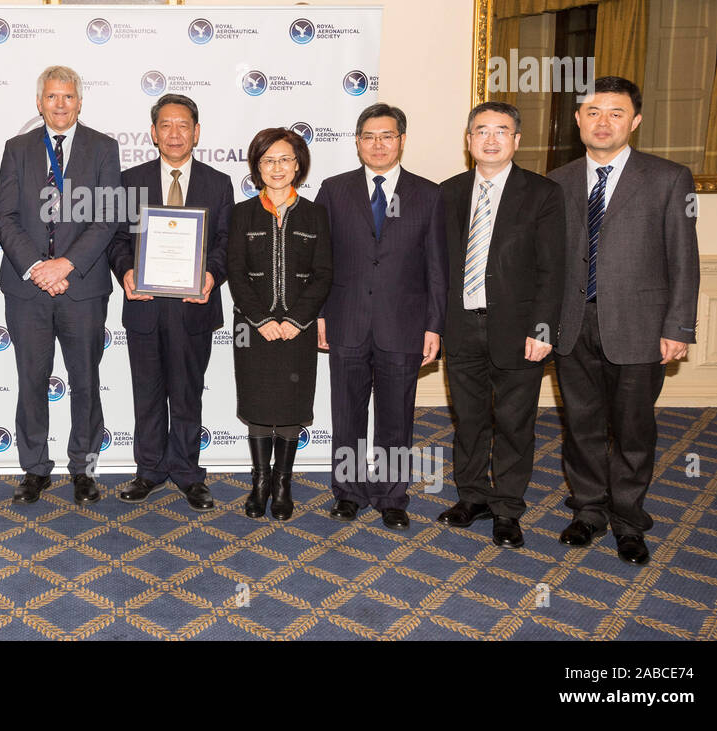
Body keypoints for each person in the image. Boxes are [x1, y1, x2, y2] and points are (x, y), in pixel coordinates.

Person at [548, 76, 699, 565]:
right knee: (582, 426)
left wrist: (679, 327)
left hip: (639, 326)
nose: (603, 122)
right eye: (593, 111)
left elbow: (684, 258)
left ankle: (629, 521)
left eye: (615, 113)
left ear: (634, 121)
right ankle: (588, 510)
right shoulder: (558, 180)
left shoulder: (668, 178)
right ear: (578, 120)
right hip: (573, 325)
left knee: (633, 430)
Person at [437, 101, 564, 548]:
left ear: (517, 140)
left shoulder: (543, 194)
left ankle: (508, 508)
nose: (490, 139)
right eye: (481, 131)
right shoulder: (448, 192)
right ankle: (471, 497)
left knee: (515, 423)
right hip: (461, 326)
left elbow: (553, 270)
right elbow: (438, 268)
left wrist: (543, 329)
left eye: (501, 131)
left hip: (520, 330)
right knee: (469, 420)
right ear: (468, 140)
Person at [315, 103, 447, 529]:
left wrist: (434, 324)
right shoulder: (334, 191)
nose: (378, 144)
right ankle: (349, 492)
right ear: (357, 142)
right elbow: (320, 262)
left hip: (404, 326)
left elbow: (437, 267)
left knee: (396, 417)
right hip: (346, 321)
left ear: (402, 141)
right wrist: (319, 315)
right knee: (347, 415)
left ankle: (392, 495)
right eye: (369, 136)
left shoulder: (430, 194)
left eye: (387, 136)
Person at [0, 65, 121, 504]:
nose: (60, 104)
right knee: (31, 379)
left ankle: (83, 471)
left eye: (68, 97)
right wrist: (36, 267)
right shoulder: (17, 148)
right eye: (52, 97)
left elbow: (107, 217)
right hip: (27, 288)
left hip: (82, 287)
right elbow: (4, 216)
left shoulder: (104, 148)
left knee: (85, 380)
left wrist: (65, 265)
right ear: (39, 102)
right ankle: (34, 469)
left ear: (80, 102)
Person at [109, 94, 232, 512]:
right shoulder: (130, 181)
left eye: (183, 125)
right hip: (144, 306)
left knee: (186, 393)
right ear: (153, 133)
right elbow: (117, 240)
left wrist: (212, 275)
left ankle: (186, 472)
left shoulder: (218, 183)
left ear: (197, 132)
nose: (175, 133)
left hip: (193, 308)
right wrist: (126, 271)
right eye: (166, 125)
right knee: (147, 393)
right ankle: (149, 470)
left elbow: (225, 243)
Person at [227, 128, 332, 520]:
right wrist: (260, 320)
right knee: (257, 404)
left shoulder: (316, 214)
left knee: (291, 406)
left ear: (298, 165)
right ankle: (259, 482)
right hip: (253, 330)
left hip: (297, 330)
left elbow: (323, 274)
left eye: (285, 159)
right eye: (268, 160)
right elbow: (236, 274)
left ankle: (283, 483)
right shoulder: (241, 213)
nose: (277, 167)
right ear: (256, 166)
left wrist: (297, 320)